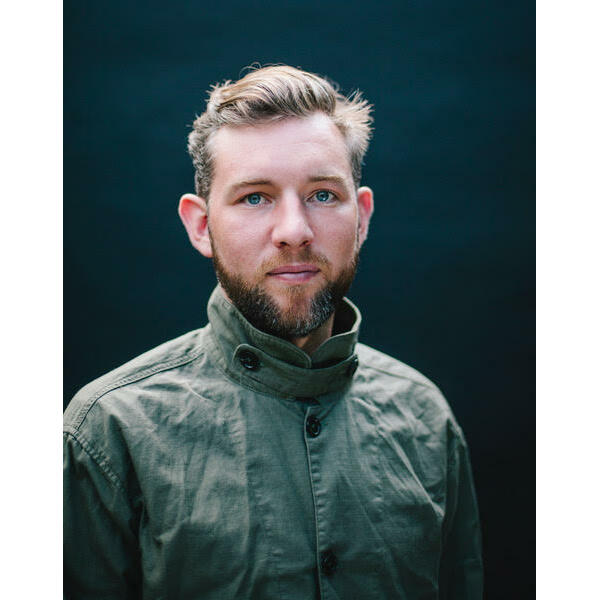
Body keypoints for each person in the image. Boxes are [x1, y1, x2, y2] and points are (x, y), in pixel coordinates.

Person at [63, 65, 483, 599]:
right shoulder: (108, 431)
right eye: (255, 197)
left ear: (363, 218)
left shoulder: (424, 415)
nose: (294, 231)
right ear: (200, 225)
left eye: (324, 195)